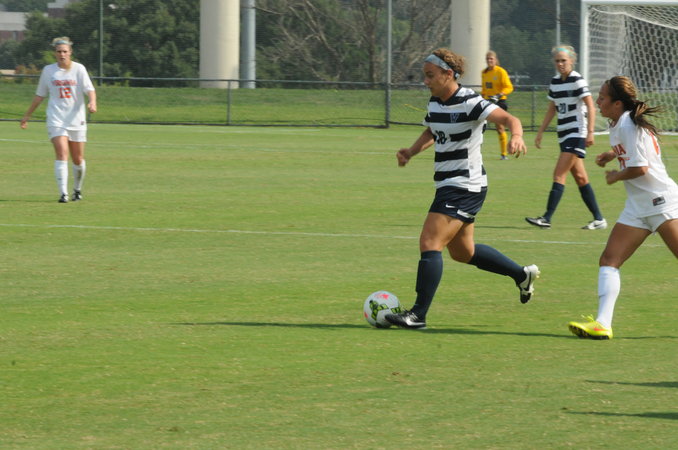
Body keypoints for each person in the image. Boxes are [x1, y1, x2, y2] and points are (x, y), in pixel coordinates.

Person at [384, 48, 540, 329]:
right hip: (448, 184)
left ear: (448, 74)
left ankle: (418, 315)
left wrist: (516, 136)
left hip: (464, 185)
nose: (425, 81)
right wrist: (411, 151)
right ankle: (521, 275)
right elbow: (432, 130)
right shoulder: (435, 102)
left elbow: (510, 119)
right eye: (424, 76)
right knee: (462, 253)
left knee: (430, 242)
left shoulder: (471, 101)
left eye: (430, 75)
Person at [568, 76, 678, 340]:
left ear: (617, 103)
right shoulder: (619, 122)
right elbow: (633, 152)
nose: (598, 101)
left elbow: (641, 168)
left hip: (660, 203)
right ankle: (602, 324)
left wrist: (615, 176)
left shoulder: (628, 124)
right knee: (609, 260)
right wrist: (612, 154)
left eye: (603, 98)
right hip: (638, 208)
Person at [526, 45, 606, 230]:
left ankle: (546, 218)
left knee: (559, 174)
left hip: (576, 133)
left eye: (564, 60)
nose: (560, 64)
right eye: (557, 61)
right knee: (580, 178)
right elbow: (552, 108)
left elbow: (591, 106)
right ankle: (599, 219)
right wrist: (540, 132)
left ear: (572, 61)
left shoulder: (577, 80)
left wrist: (590, 132)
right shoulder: (555, 82)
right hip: (563, 133)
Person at [20, 36, 97, 203]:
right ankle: (63, 194)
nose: (62, 54)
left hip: (76, 119)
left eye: (64, 51)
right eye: (59, 51)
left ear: (70, 52)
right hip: (56, 119)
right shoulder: (48, 71)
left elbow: (89, 89)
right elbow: (40, 95)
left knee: (78, 159)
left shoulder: (79, 69)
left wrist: (92, 102)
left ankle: (77, 189)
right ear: (55, 53)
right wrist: (27, 115)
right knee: (62, 153)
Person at [481, 50, 514, 160]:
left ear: (495, 60)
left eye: (491, 59)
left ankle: (504, 154)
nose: (489, 61)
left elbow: (509, 87)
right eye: (488, 59)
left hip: (499, 102)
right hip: (488, 101)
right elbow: (484, 89)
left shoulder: (501, 72)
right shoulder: (484, 73)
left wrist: (499, 94)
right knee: (479, 125)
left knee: (500, 128)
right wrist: (482, 98)